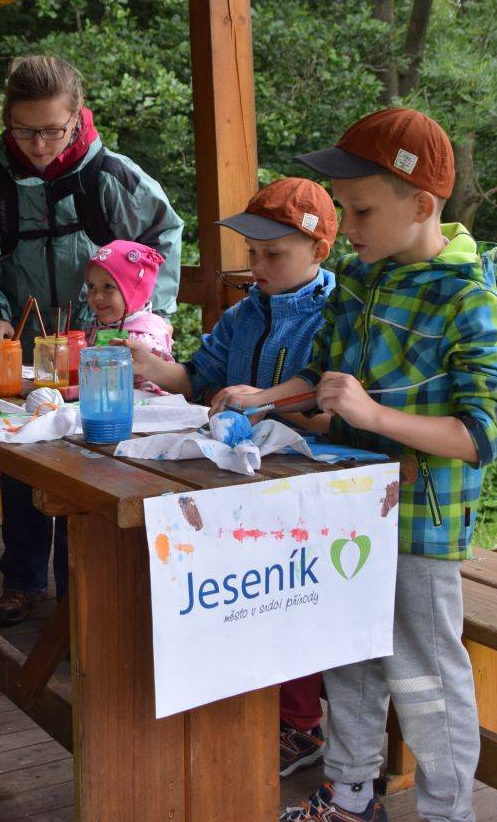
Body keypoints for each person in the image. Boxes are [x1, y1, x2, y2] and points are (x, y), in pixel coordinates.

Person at [220, 108, 497, 822]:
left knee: (427, 679)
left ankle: (448, 812)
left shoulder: (469, 300)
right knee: (347, 655)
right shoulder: (359, 279)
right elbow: (322, 375)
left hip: (421, 523)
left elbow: (481, 434)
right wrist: (263, 399)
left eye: (360, 210)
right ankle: (351, 795)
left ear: (421, 206)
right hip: (347, 509)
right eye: (343, 207)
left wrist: (373, 416)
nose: (346, 225)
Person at [0, 54, 182, 626]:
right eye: (24, 130)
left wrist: (143, 316)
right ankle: (23, 581)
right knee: (24, 460)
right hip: (31, 352)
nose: (37, 144)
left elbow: (164, 236)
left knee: (96, 464)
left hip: (105, 353)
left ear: (77, 117)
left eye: (52, 130)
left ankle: (81, 588)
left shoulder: (112, 178)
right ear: (7, 121)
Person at [127, 176, 338, 775]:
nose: (258, 266)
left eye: (274, 254)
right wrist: (150, 365)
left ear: (319, 250)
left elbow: (328, 411)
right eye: (252, 252)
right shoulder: (244, 313)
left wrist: (265, 401)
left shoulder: (336, 314)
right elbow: (197, 377)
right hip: (241, 486)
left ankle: (301, 726)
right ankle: (239, 701)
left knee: (290, 597)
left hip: (313, 490)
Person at [83, 240, 173, 393]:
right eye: (91, 286)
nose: (97, 296)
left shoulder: (143, 339)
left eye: (108, 287)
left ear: (134, 293)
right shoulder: (98, 326)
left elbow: (158, 388)